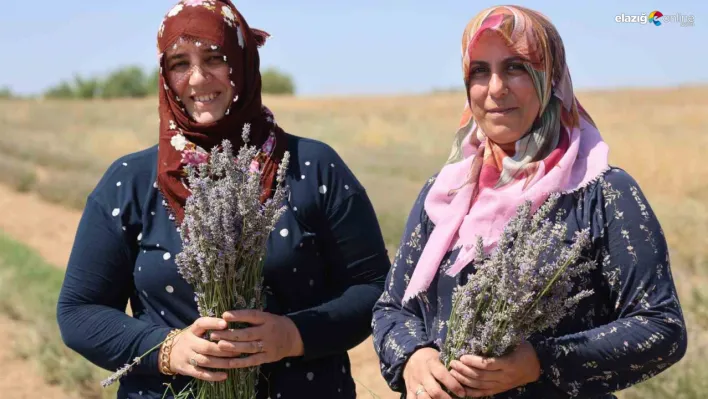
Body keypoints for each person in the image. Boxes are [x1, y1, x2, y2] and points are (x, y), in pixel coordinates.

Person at [56, 1, 390, 398]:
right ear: (165, 75)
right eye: (180, 63)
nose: (197, 79)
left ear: (244, 61)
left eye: (215, 58)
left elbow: (375, 288)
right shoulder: (129, 182)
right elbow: (79, 312)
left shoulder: (313, 168)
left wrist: (294, 335)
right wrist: (167, 349)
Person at [372, 5, 687, 399]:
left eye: (517, 67)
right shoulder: (446, 193)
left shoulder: (602, 192)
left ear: (550, 78)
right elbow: (392, 309)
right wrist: (414, 357)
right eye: (480, 71)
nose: (496, 88)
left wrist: (542, 362)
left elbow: (661, 327)